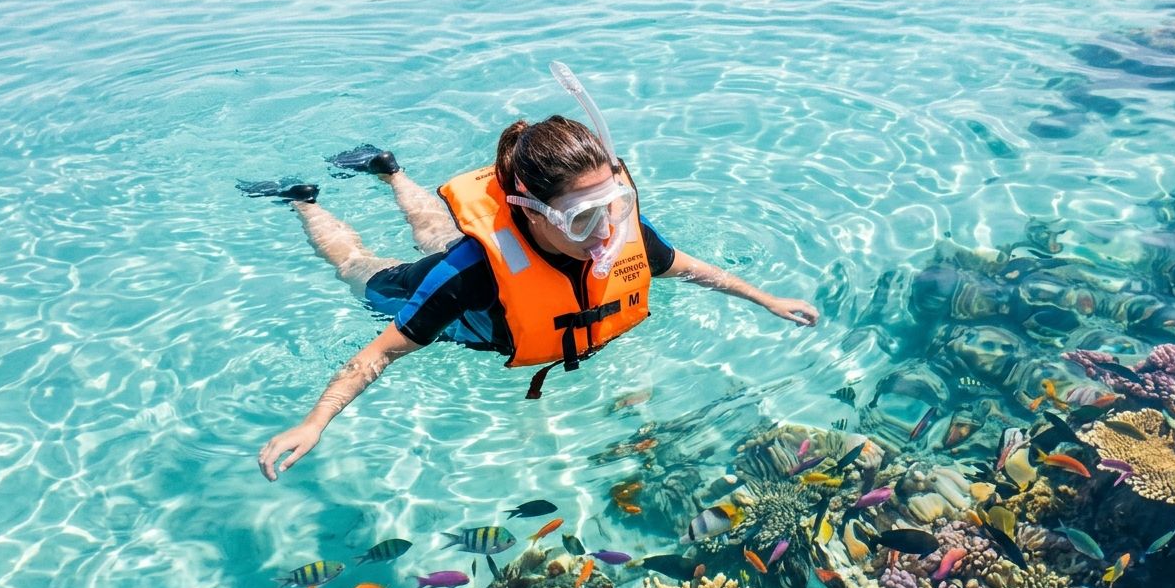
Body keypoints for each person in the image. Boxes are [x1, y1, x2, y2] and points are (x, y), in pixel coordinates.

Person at [250, 63, 818, 481]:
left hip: (487, 254)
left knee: (436, 228)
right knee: (358, 266)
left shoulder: (618, 232)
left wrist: (765, 299)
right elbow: (378, 353)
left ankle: (389, 170)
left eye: (613, 205)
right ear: (531, 209)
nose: (605, 233)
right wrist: (314, 422)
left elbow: (687, 266)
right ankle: (304, 200)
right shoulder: (468, 276)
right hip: (447, 279)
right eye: (582, 217)